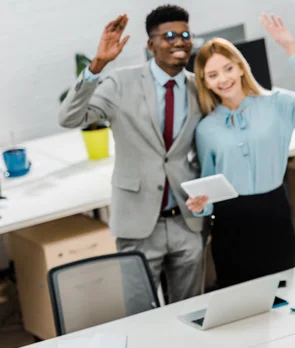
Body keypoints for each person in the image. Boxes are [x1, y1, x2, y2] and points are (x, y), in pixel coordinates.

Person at [58, 6, 205, 303]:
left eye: (185, 34)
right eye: (169, 36)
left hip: (186, 222)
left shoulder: (199, 86)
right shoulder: (121, 83)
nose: (179, 41)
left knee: (193, 310)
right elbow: (69, 118)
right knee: (140, 314)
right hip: (137, 223)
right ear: (151, 45)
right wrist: (97, 65)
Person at [185, 13, 295, 289]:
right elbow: (210, 185)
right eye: (213, 75)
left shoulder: (276, 105)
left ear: (240, 67)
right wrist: (202, 206)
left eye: (227, 68)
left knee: (282, 292)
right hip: (230, 222)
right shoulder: (205, 129)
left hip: (273, 212)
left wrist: (290, 47)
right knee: (238, 300)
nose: (223, 79)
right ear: (205, 81)